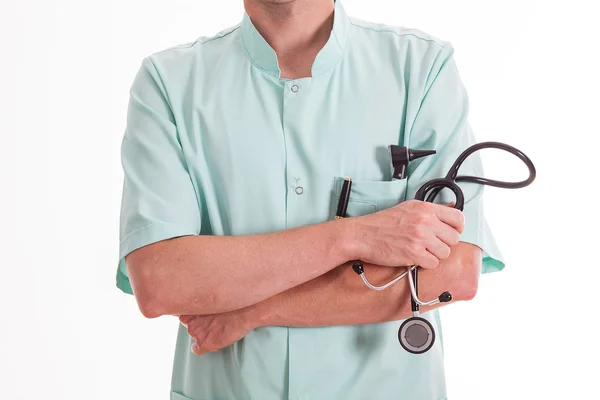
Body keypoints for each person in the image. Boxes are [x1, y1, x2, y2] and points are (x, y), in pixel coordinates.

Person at [116, 0, 504, 398]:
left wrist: (254, 311)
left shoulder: (420, 69)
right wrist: (355, 237)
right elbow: (160, 280)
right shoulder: (168, 83)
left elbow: (452, 274)